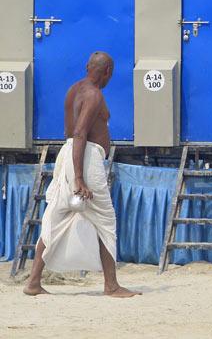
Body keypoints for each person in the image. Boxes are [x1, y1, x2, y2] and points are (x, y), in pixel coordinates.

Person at [24, 52, 140, 298]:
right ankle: (111, 286)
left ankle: (33, 282)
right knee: (105, 220)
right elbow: (80, 133)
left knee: (56, 215)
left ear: (88, 67)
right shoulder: (95, 95)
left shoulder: (73, 89)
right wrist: (79, 178)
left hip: (68, 154)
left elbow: (72, 134)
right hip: (85, 159)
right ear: (107, 71)